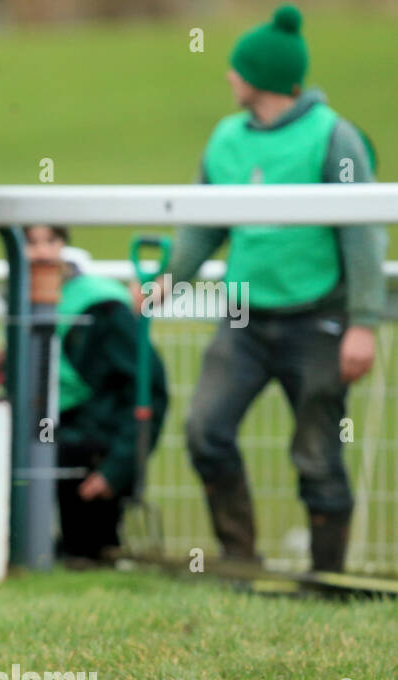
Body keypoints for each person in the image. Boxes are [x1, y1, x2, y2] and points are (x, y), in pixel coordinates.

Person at [162, 5, 386, 571]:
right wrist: (168, 280)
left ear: (258, 76)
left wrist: (362, 322)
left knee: (316, 454)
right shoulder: (226, 139)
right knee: (205, 429)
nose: (228, 77)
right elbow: (202, 225)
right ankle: (241, 561)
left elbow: (363, 234)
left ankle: (326, 577)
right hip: (242, 317)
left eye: (237, 69)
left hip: (317, 318)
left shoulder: (334, 137)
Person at [26, 226, 169, 563]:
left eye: (50, 241)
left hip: (92, 453)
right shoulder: (23, 304)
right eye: (31, 243)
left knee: (86, 554)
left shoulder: (101, 307)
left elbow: (148, 389)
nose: (41, 253)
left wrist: (117, 469)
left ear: (64, 246)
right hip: (53, 440)